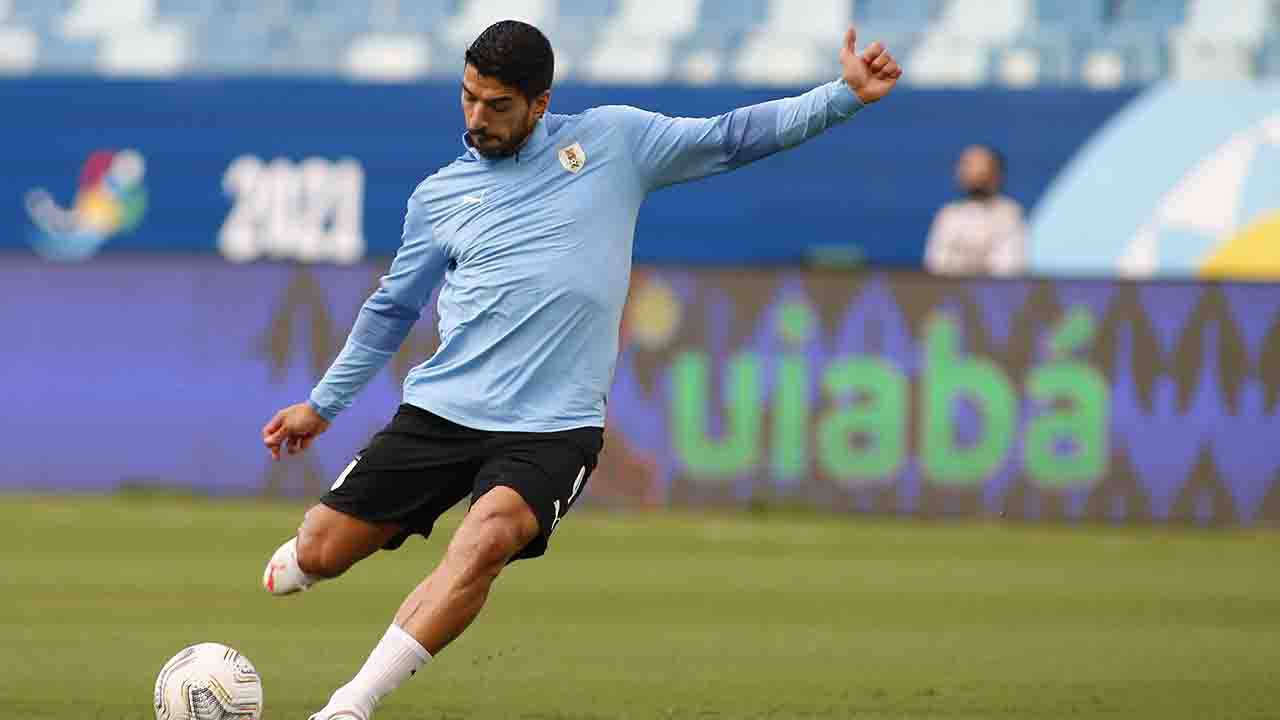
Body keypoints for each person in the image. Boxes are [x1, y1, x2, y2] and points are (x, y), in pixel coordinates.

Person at [259, 19, 902, 720]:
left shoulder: (614, 142)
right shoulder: (438, 197)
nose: (477, 117)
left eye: (497, 105)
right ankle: (304, 558)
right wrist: (322, 405)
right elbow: (391, 310)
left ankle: (349, 707)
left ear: (540, 103)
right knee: (323, 551)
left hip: (553, 427)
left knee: (486, 543)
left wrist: (844, 95)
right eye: (468, 98)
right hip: (443, 412)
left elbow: (733, 136)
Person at [923, 144, 1028, 276]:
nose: (974, 173)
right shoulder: (948, 215)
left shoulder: (1010, 214)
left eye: (981, 166)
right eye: (967, 166)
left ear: (996, 173)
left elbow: (1009, 267)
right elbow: (937, 264)